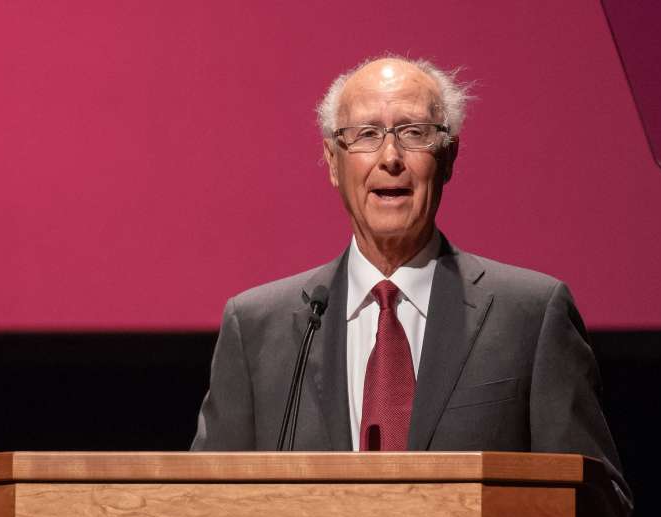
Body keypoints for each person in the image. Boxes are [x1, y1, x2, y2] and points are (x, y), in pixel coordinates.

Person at [191, 56, 621, 478]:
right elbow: (203, 510)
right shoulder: (256, 329)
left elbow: (596, 507)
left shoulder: (529, 316)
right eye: (366, 134)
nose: (390, 156)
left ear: (449, 156)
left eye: (415, 133)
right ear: (332, 162)